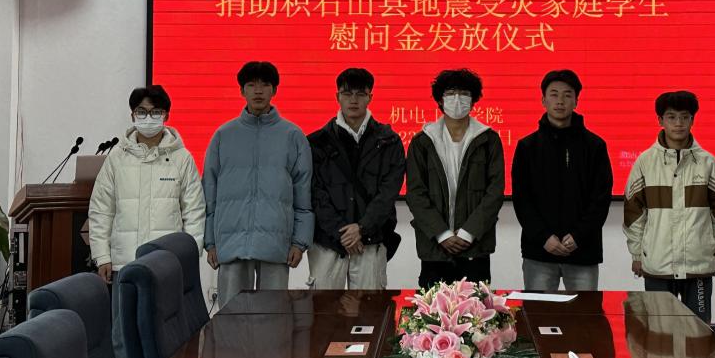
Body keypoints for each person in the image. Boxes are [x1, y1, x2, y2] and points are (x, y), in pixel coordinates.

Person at [203, 61, 313, 308]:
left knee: (272, 317)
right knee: (231, 316)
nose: (258, 91)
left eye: (265, 84)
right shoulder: (223, 135)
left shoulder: (293, 136)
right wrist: (210, 242)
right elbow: (209, 191)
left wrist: (299, 242)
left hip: (276, 243)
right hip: (231, 242)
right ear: (242, 90)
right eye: (251, 85)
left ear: (275, 90)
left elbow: (303, 193)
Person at [624, 91, 715, 322]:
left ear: (692, 120)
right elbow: (634, 215)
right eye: (671, 117)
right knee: (659, 334)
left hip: (698, 266)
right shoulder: (645, 162)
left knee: (698, 331)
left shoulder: (708, 163)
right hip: (657, 265)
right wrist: (637, 254)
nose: (678, 123)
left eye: (685, 117)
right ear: (660, 120)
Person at [88, 85, 205, 283]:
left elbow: (194, 212)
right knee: (124, 306)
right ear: (132, 116)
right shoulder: (116, 158)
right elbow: (101, 209)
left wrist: (189, 257)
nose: (148, 118)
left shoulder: (182, 158)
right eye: (141, 112)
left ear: (166, 115)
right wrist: (102, 256)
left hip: (168, 264)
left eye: (156, 112)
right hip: (124, 263)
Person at [512, 69, 613, 291]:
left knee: (584, 312)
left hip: (582, 251)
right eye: (554, 94)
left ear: (576, 101)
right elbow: (522, 199)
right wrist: (544, 237)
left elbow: (600, 198)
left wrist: (578, 236)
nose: (560, 101)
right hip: (539, 251)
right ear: (543, 100)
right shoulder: (527, 147)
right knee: (539, 311)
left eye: (567, 95)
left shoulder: (595, 146)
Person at [307, 68, 405, 289]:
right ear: (337, 96)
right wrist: (342, 233)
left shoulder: (389, 141)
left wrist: (361, 229)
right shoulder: (317, 142)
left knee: (369, 308)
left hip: (371, 241)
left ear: (370, 97)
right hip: (328, 242)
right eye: (347, 93)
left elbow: (388, 193)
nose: (353, 100)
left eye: (360, 94)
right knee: (324, 308)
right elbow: (315, 193)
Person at [405, 69, 505, 287]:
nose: (457, 99)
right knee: (432, 307)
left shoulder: (488, 140)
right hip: (435, 249)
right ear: (440, 100)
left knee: (476, 307)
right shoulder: (423, 141)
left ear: (474, 100)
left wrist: (468, 233)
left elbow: (495, 192)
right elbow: (416, 193)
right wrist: (442, 234)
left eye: (464, 93)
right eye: (451, 93)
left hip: (475, 248)